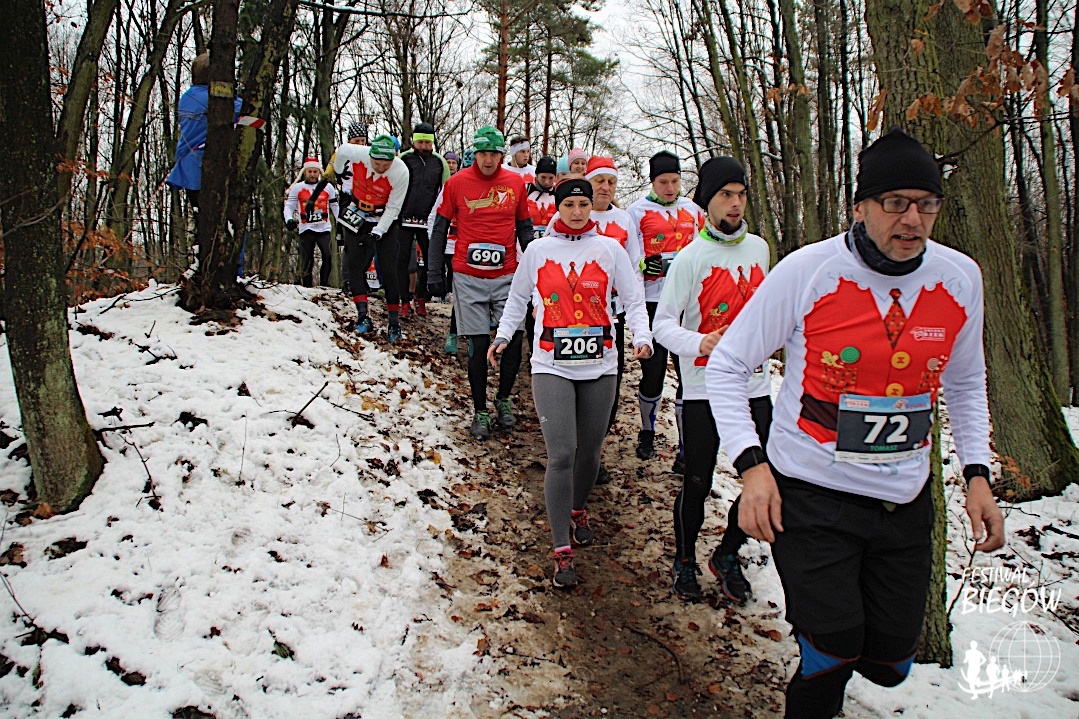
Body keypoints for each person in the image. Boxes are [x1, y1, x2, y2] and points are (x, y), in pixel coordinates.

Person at [706, 127, 1005, 718]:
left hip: (903, 499)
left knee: (891, 664)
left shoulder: (959, 277)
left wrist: (977, 474)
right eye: (895, 203)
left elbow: (967, 381)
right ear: (861, 207)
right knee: (831, 650)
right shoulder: (809, 270)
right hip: (812, 492)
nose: (912, 219)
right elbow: (729, 364)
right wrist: (752, 467)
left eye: (926, 204)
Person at [488, 178, 652, 587]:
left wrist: (642, 338)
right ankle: (561, 548)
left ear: (591, 207)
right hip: (551, 365)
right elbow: (518, 298)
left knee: (590, 452)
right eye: (569, 205)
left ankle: (578, 508)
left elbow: (633, 299)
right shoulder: (538, 251)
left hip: (602, 364)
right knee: (562, 453)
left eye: (583, 204)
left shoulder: (610, 250)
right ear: (557, 208)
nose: (577, 212)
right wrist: (504, 335)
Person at [652, 156, 771, 604]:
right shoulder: (691, 258)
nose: (735, 203)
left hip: (755, 384)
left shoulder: (759, 249)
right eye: (725, 195)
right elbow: (663, 325)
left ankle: (727, 553)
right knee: (698, 481)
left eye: (741, 194)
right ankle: (684, 559)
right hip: (704, 388)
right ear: (708, 201)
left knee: (765, 473)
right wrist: (700, 342)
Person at [427, 126, 534, 439]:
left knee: (514, 340)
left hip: (507, 275)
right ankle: (480, 411)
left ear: (502, 155)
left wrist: (538, 269)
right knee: (477, 345)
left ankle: (503, 399)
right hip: (468, 276)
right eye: (483, 154)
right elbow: (439, 228)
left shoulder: (515, 182)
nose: (488, 160)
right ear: (474, 153)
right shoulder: (457, 182)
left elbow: (525, 229)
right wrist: (434, 272)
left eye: (494, 154)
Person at [626, 150, 705, 469]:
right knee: (654, 372)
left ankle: (685, 447)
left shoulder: (694, 210)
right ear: (652, 181)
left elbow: (704, 251)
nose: (670, 188)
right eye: (663, 182)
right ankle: (647, 431)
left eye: (675, 181)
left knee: (687, 373)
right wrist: (647, 265)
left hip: (687, 303)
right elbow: (632, 259)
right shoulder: (636, 211)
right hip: (654, 300)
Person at [317, 133, 410, 342]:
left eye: (386, 164)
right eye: (377, 164)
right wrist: (338, 170)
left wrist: (378, 232)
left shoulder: (401, 171)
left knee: (389, 269)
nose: (381, 168)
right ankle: (362, 315)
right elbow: (341, 150)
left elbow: (394, 208)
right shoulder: (358, 153)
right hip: (356, 211)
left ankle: (394, 322)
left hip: (383, 216)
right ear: (370, 157)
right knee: (355, 264)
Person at [585, 155, 643, 485]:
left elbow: (634, 267)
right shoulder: (573, 212)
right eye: (599, 181)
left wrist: (634, 314)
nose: (605, 187)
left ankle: (593, 452)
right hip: (574, 317)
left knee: (610, 383)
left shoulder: (623, 220)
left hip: (612, 317)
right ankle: (574, 450)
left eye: (611, 182)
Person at [166, 51, 242, 211]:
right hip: (201, 165)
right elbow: (242, 110)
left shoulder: (187, 97)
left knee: (203, 214)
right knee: (214, 214)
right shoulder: (211, 98)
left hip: (190, 166)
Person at [398, 121, 450, 319]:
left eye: (427, 143)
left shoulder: (439, 162)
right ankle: (404, 300)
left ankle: (421, 298)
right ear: (414, 142)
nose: (424, 146)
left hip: (428, 220)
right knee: (402, 260)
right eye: (420, 142)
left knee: (430, 260)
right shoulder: (404, 159)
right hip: (404, 217)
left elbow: (447, 190)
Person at [284, 156, 339, 287]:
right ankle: (307, 287)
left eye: (315, 171)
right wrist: (289, 219)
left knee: (327, 256)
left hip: (324, 228)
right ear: (305, 172)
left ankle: (324, 285)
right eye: (310, 171)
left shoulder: (328, 187)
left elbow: (335, 206)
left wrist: (341, 223)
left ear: (319, 172)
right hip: (306, 228)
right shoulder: (297, 188)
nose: (313, 174)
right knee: (307, 259)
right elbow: (289, 206)